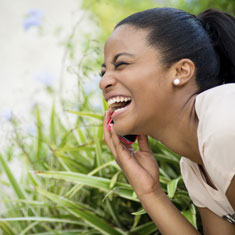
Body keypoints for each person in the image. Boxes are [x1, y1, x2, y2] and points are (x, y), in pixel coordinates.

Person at [99, 7, 235, 234]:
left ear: (181, 71)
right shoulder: (194, 164)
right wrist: (149, 192)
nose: (104, 82)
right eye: (103, 73)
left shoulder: (224, 124)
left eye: (121, 64)